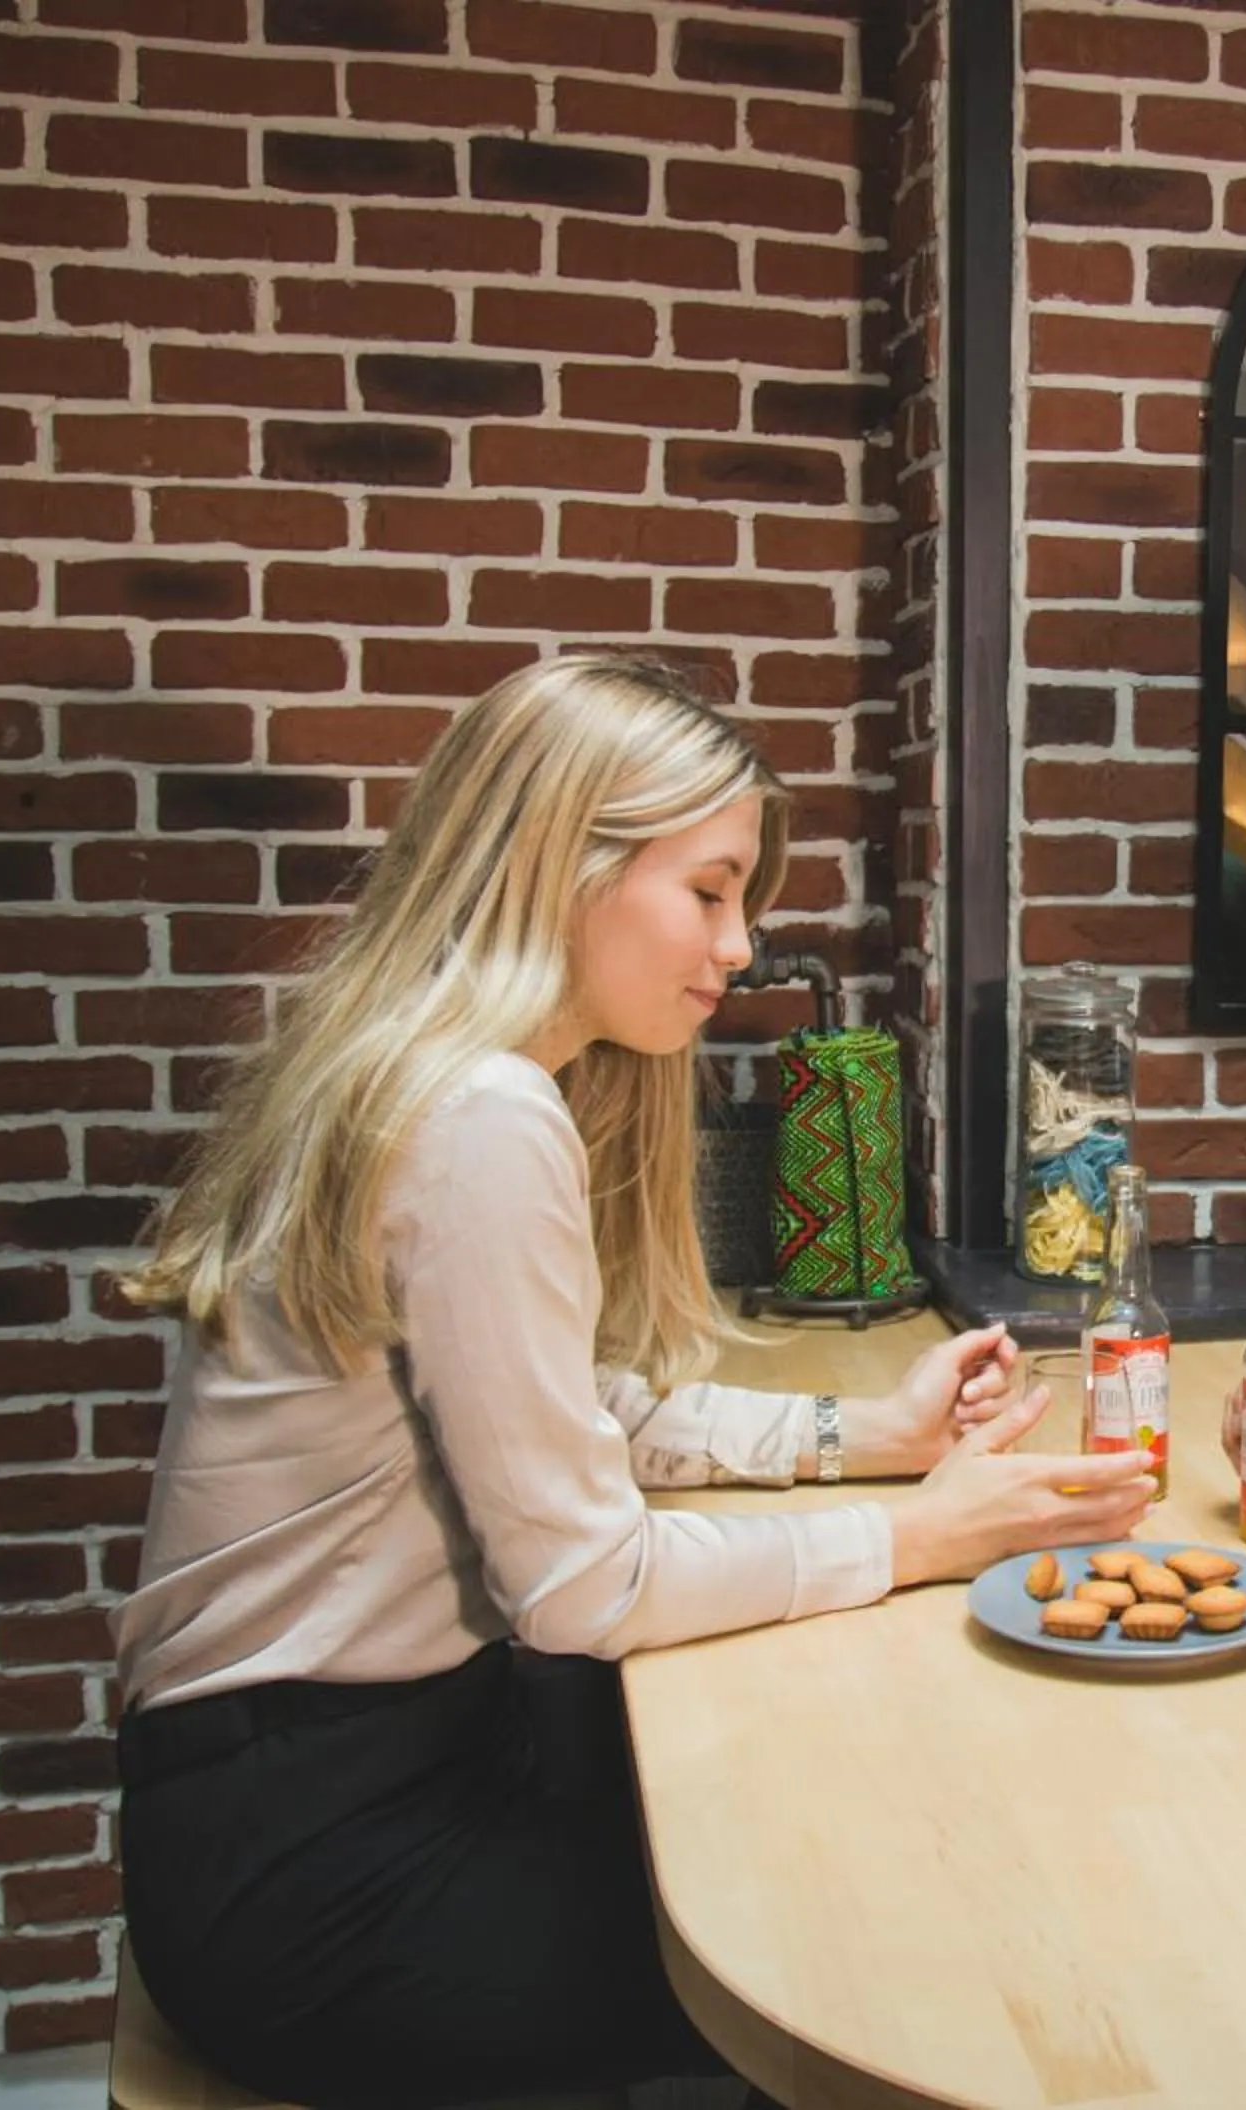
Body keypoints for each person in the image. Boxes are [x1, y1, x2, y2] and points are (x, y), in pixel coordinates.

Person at [113, 655, 1155, 2108]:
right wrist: (927, 1537)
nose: (741, 945)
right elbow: (581, 1589)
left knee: (808, 1803)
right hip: (318, 1856)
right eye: (711, 889)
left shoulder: (433, 1072)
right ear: (562, 863)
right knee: (893, 1938)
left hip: (300, 1777)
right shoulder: (476, 1113)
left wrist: (865, 1428)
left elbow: (579, 1413)